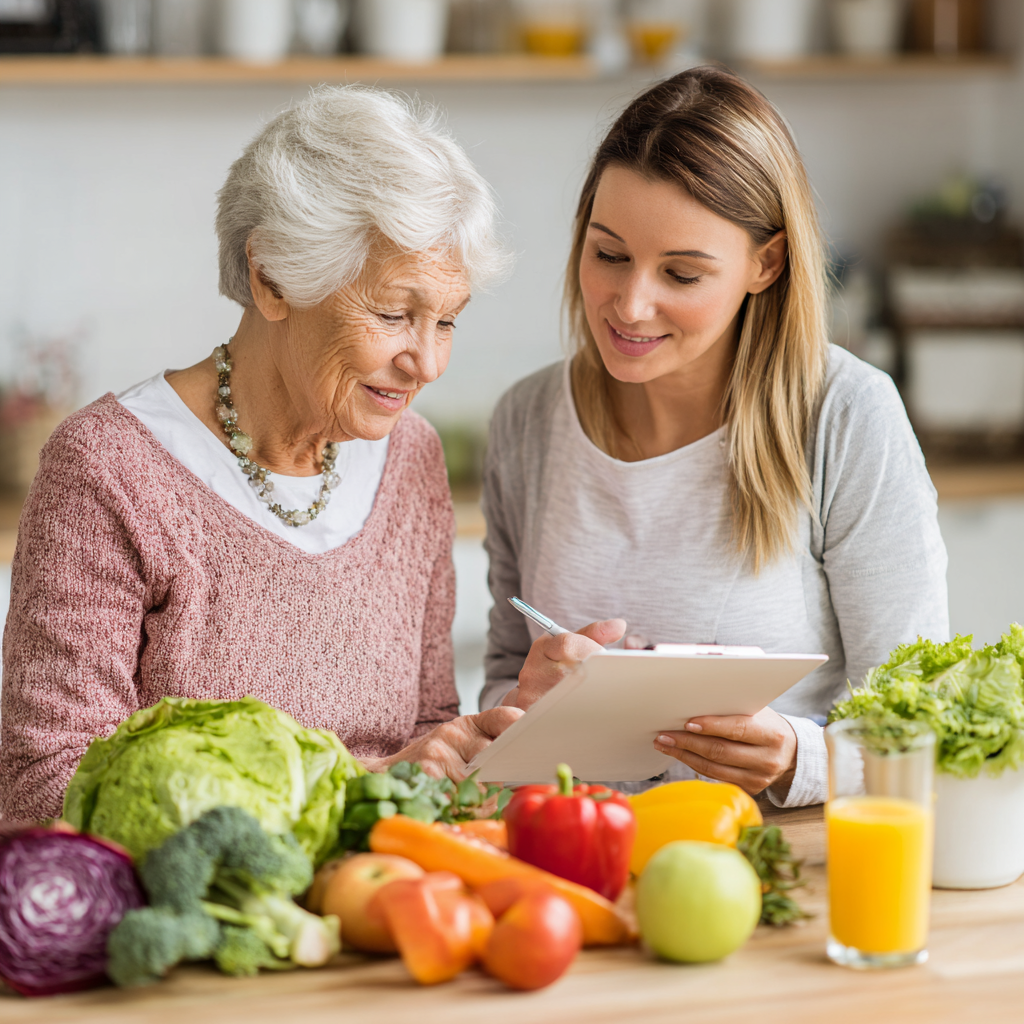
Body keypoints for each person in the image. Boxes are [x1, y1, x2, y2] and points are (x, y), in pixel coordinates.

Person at [0, 86, 522, 822]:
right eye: (394, 314)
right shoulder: (107, 470)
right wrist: (348, 795)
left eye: (448, 322)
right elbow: (46, 787)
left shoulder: (411, 457)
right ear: (271, 277)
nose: (428, 363)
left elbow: (425, 729)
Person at [481, 67, 948, 807]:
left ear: (765, 263)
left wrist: (800, 759)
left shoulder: (846, 416)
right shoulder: (527, 422)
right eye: (609, 255)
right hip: (577, 862)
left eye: (682, 273)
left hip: (780, 869)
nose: (631, 305)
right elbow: (504, 677)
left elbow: (922, 732)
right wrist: (527, 700)